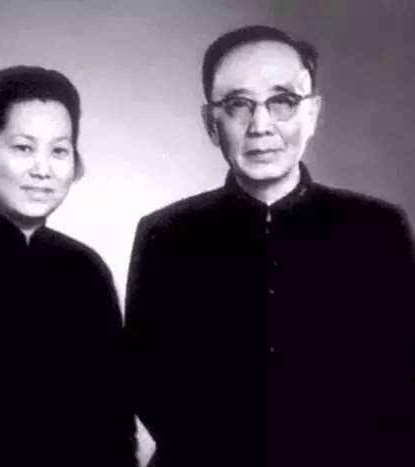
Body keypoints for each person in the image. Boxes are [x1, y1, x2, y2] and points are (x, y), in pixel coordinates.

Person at [125, 26, 414, 466]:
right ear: (210, 123)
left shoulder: (378, 230)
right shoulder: (163, 234)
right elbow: (147, 384)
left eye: (282, 102)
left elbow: (401, 386)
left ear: (312, 114)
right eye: (237, 105)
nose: (260, 126)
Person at [0, 66, 136, 466]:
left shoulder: (86, 270)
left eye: (59, 150)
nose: (43, 169)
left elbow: (116, 427)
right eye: (23, 148)